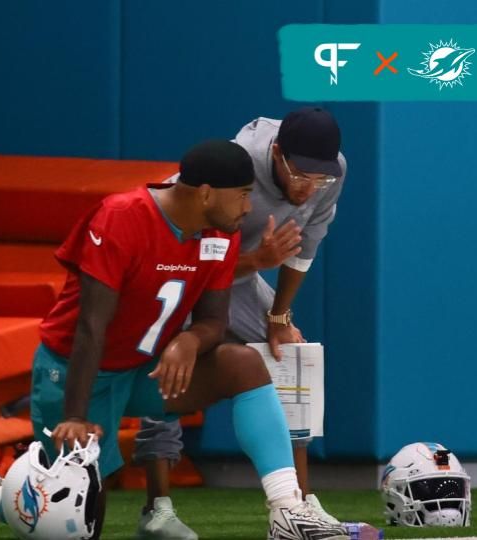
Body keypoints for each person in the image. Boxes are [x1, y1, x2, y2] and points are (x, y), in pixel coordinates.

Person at [0, 140, 349, 540]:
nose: (249, 208)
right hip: (76, 373)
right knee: (72, 521)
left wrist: (188, 341)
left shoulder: (219, 234)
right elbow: (91, 326)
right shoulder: (121, 216)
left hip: (144, 370)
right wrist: (75, 415)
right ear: (206, 193)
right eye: (243, 195)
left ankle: (286, 509)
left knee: (243, 364)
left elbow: (212, 320)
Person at [136, 107, 348, 538]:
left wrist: (279, 316)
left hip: (243, 271)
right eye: (301, 176)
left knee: (291, 357)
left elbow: (305, 248)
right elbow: (186, 260)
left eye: (320, 179)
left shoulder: (332, 171)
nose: (309, 189)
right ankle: (156, 508)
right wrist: (257, 259)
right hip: (181, 269)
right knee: (170, 367)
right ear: (276, 155)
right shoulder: (235, 164)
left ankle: (298, 506)